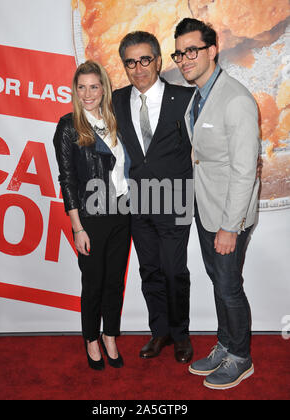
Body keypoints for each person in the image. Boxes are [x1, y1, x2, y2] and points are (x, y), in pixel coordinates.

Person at [172, 18, 260, 389]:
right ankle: (226, 344)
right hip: (209, 209)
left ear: (212, 50)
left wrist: (230, 226)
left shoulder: (236, 99)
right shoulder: (201, 93)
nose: (184, 59)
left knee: (228, 287)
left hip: (229, 215)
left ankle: (241, 357)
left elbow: (244, 170)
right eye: (179, 53)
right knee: (219, 281)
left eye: (191, 50)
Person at [112, 31, 195, 363]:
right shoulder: (116, 100)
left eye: (145, 59)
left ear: (158, 61)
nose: (138, 68)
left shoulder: (186, 97)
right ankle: (159, 331)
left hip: (174, 200)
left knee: (175, 270)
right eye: (131, 62)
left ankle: (181, 335)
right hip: (137, 203)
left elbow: (200, 150)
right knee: (150, 270)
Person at [53, 60, 131, 371]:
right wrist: (77, 228)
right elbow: (67, 179)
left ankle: (110, 334)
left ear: (103, 89)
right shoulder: (69, 125)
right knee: (94, 282)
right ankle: (91, 338)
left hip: (121, 213)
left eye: (94, 86)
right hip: (90, 217)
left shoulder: (115, 121)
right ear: (76, 90)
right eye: (82, 87)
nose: (88, 93)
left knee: (115, 282)